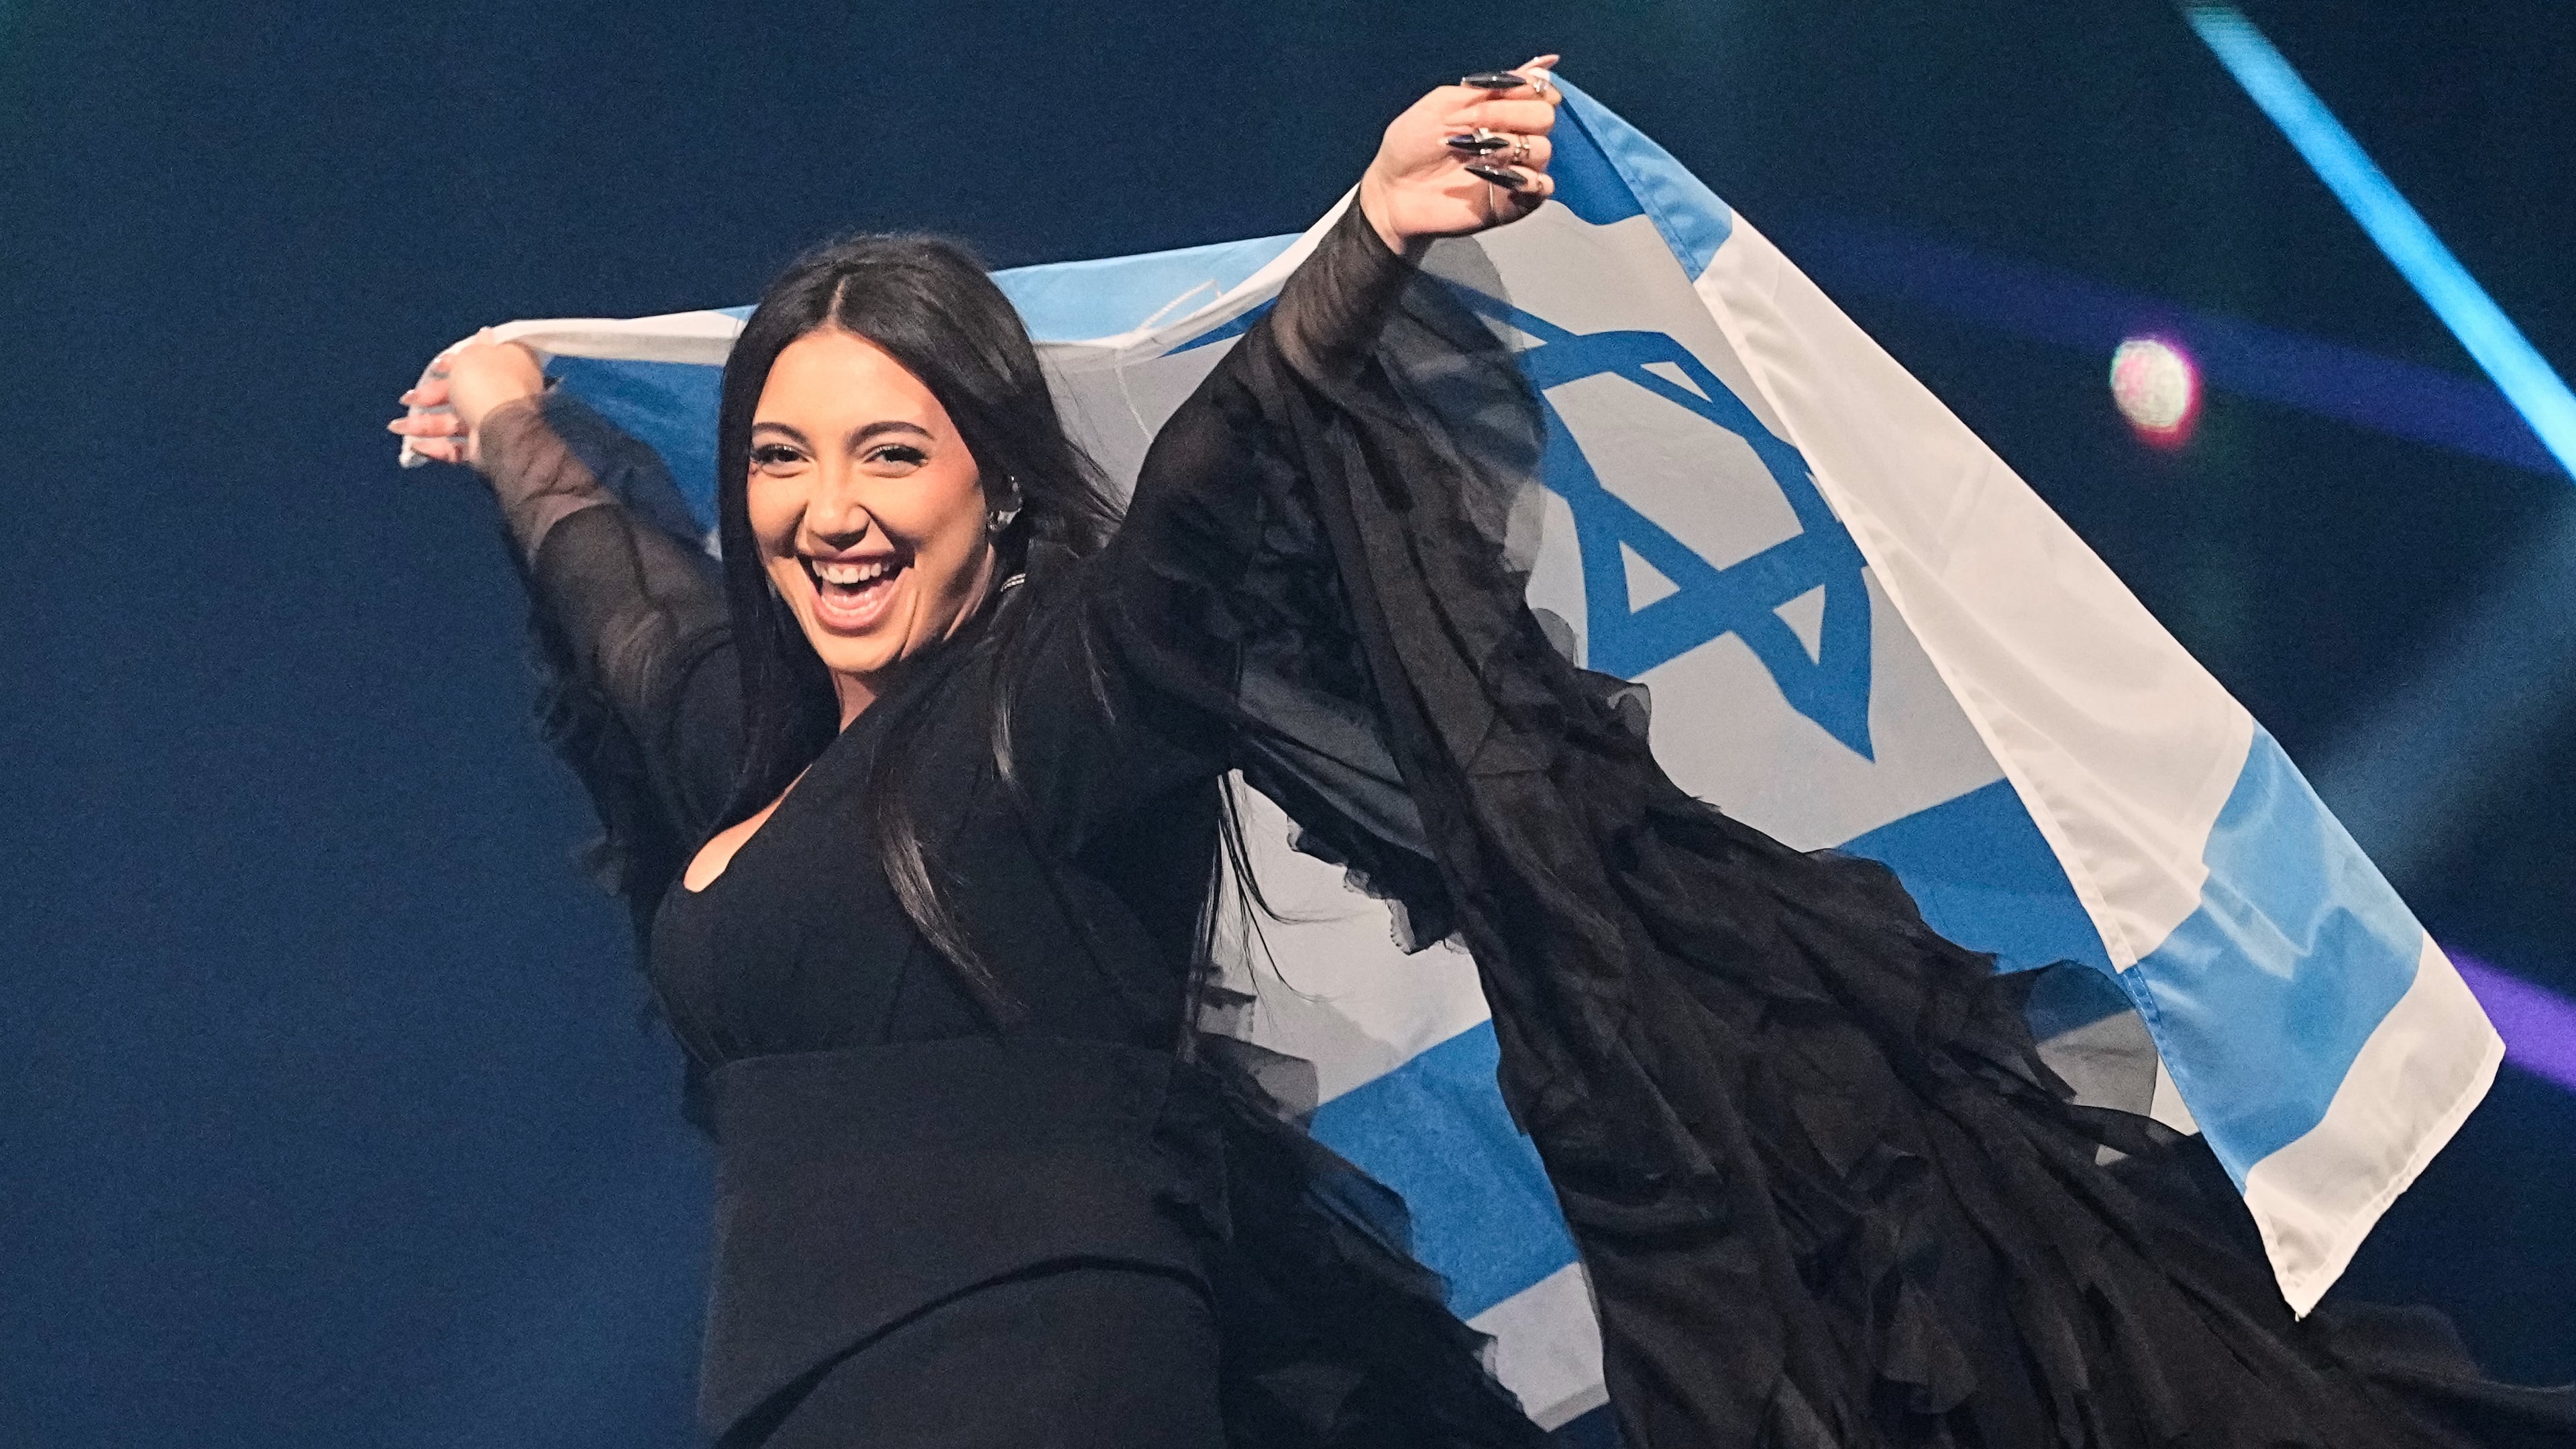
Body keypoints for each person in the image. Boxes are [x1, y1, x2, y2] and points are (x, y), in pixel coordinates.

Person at [394, 59, 2575, 1449]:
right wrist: (510, 423)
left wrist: (1365, 238)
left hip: (1039, 1386)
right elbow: (632, 598)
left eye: (895, 448)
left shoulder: (1051, 726)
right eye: (782, 455)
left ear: (995, 479)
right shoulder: (755, 778)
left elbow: (1218, 497)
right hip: (784, 1396)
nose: (828, 504)